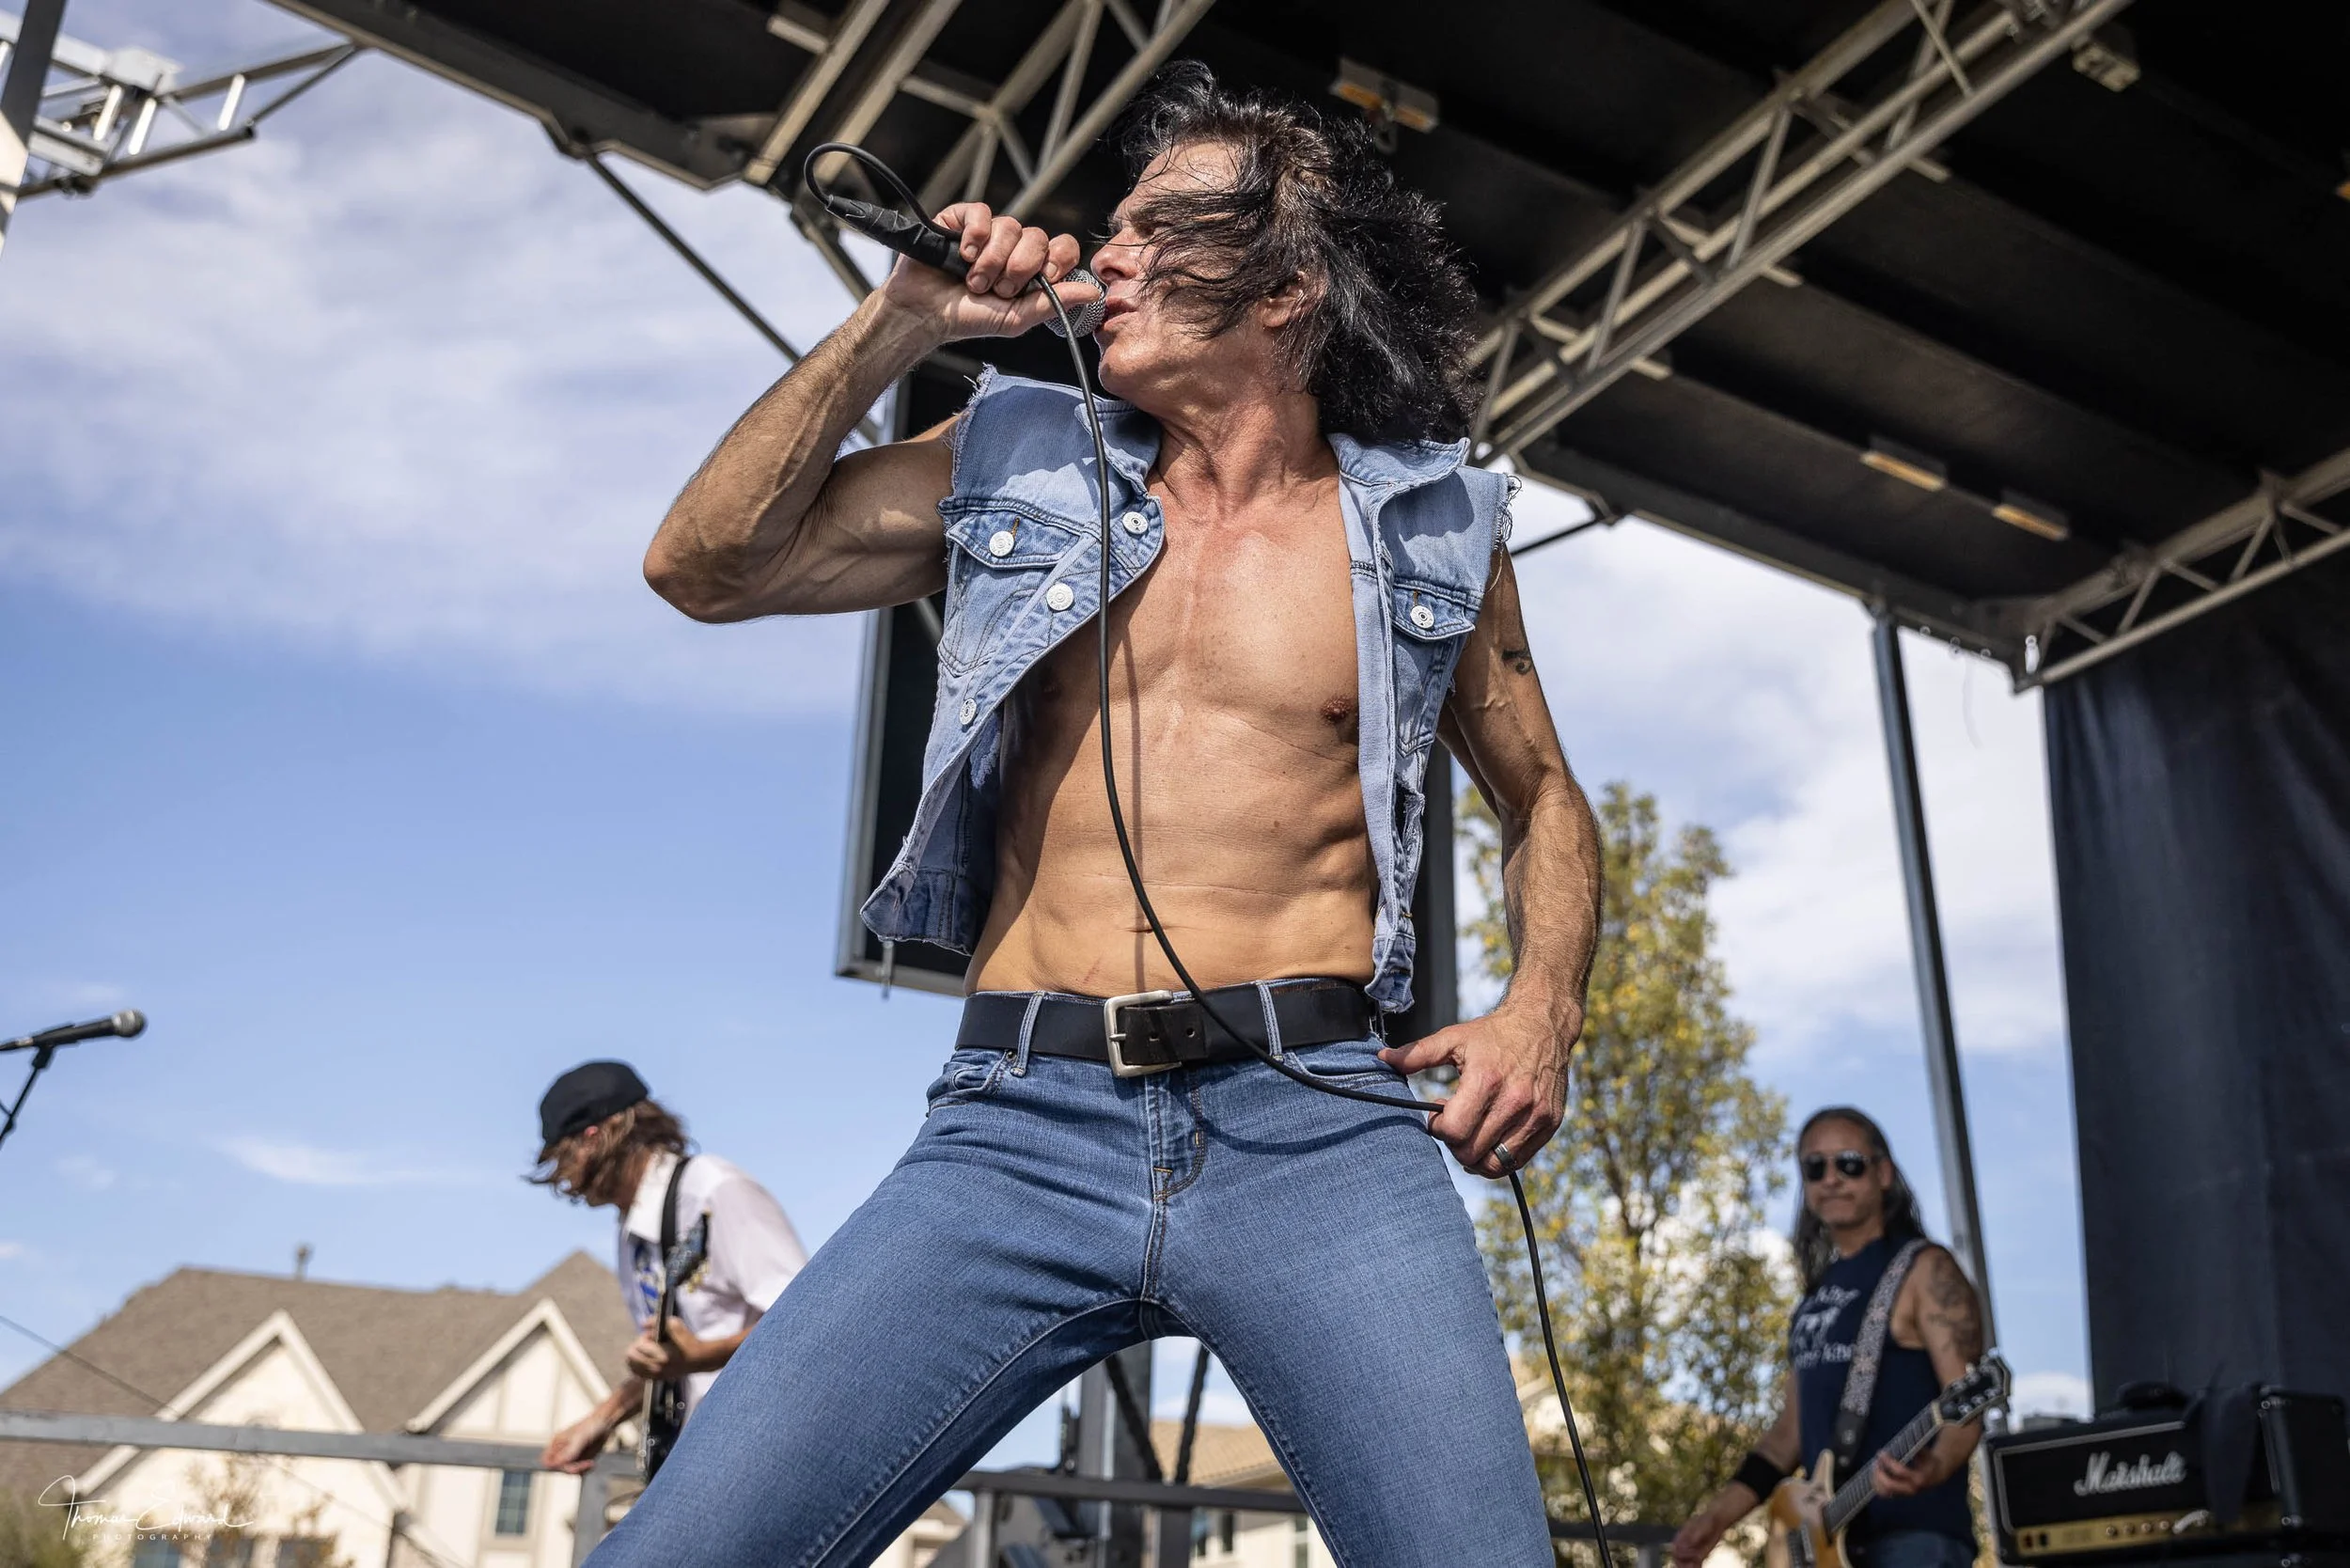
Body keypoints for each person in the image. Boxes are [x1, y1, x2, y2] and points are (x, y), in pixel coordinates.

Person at [604, 63, 1602, 1566]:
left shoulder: (1433, 520)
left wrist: (1542, 1012)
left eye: (1156, 228)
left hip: (1317, 1126)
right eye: (1113, 225)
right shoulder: (1015, 451)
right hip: (1018, 1125)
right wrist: (903, 321)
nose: (1103, 252)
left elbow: (1546, 799)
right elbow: (702, 566)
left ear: (1287, 287)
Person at [1671, 1106, 1987, 1568]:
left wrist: (1933, 1467)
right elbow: (1787, 1437)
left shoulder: (1925, 1270)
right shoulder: (1814, 1299)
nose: (1832, 1178)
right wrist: (1716, 1518)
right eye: (1815, 1167)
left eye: (1850, 1163)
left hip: (1914, 1541)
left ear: (1883, 1173)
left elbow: (1967, 1405)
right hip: (1828, 1546)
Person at [529, 1060, 809, 1475]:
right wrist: (603, 1417)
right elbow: (672, 1360)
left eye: (562, 1158)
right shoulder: (632, 1229)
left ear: (597, 1137)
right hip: (699, 1455)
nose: (564, 1179)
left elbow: (807, 1323)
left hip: (764, 1452)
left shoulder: (715, 1189)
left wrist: (702, 1357)